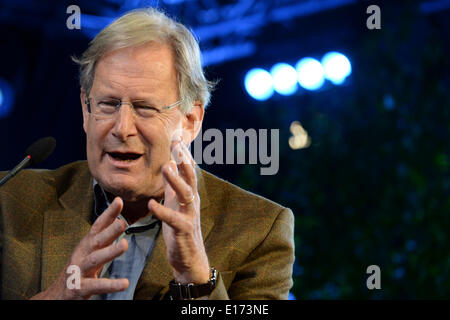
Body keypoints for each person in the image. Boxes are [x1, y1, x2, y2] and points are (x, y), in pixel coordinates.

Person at [0, 7, 294, 300]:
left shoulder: (259, 229)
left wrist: (196, 280)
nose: (122, 128)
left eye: (145, 108)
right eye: (108, 104)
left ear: (191, 121)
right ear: (85, 110)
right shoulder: (10, 201)